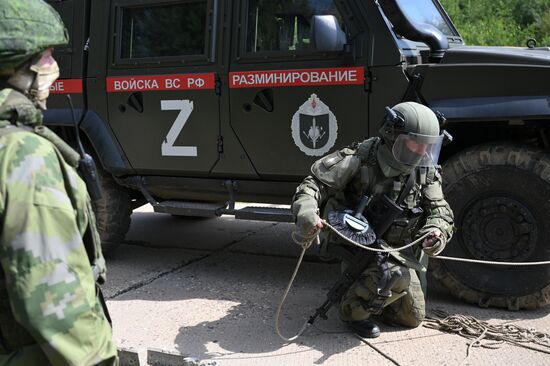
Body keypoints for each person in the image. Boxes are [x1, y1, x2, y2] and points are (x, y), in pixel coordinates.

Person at [0, 1, 118, 365]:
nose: (55, 67)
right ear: (16, 67)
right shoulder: (24, 156)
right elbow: (54, 302)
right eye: (47, 55)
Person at [292, 102, 454, 338]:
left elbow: (440, 210)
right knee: (395, 277)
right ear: (391, 134)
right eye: (414, 144)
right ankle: (352, 311)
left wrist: (436, 232)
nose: (421, 152)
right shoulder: (361, 157)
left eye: (427, 146)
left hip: (399, 250)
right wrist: (307, 213)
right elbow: (312, 186)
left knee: (413, 317)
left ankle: (377, 295)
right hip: (359, 244)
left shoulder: (424, 169)